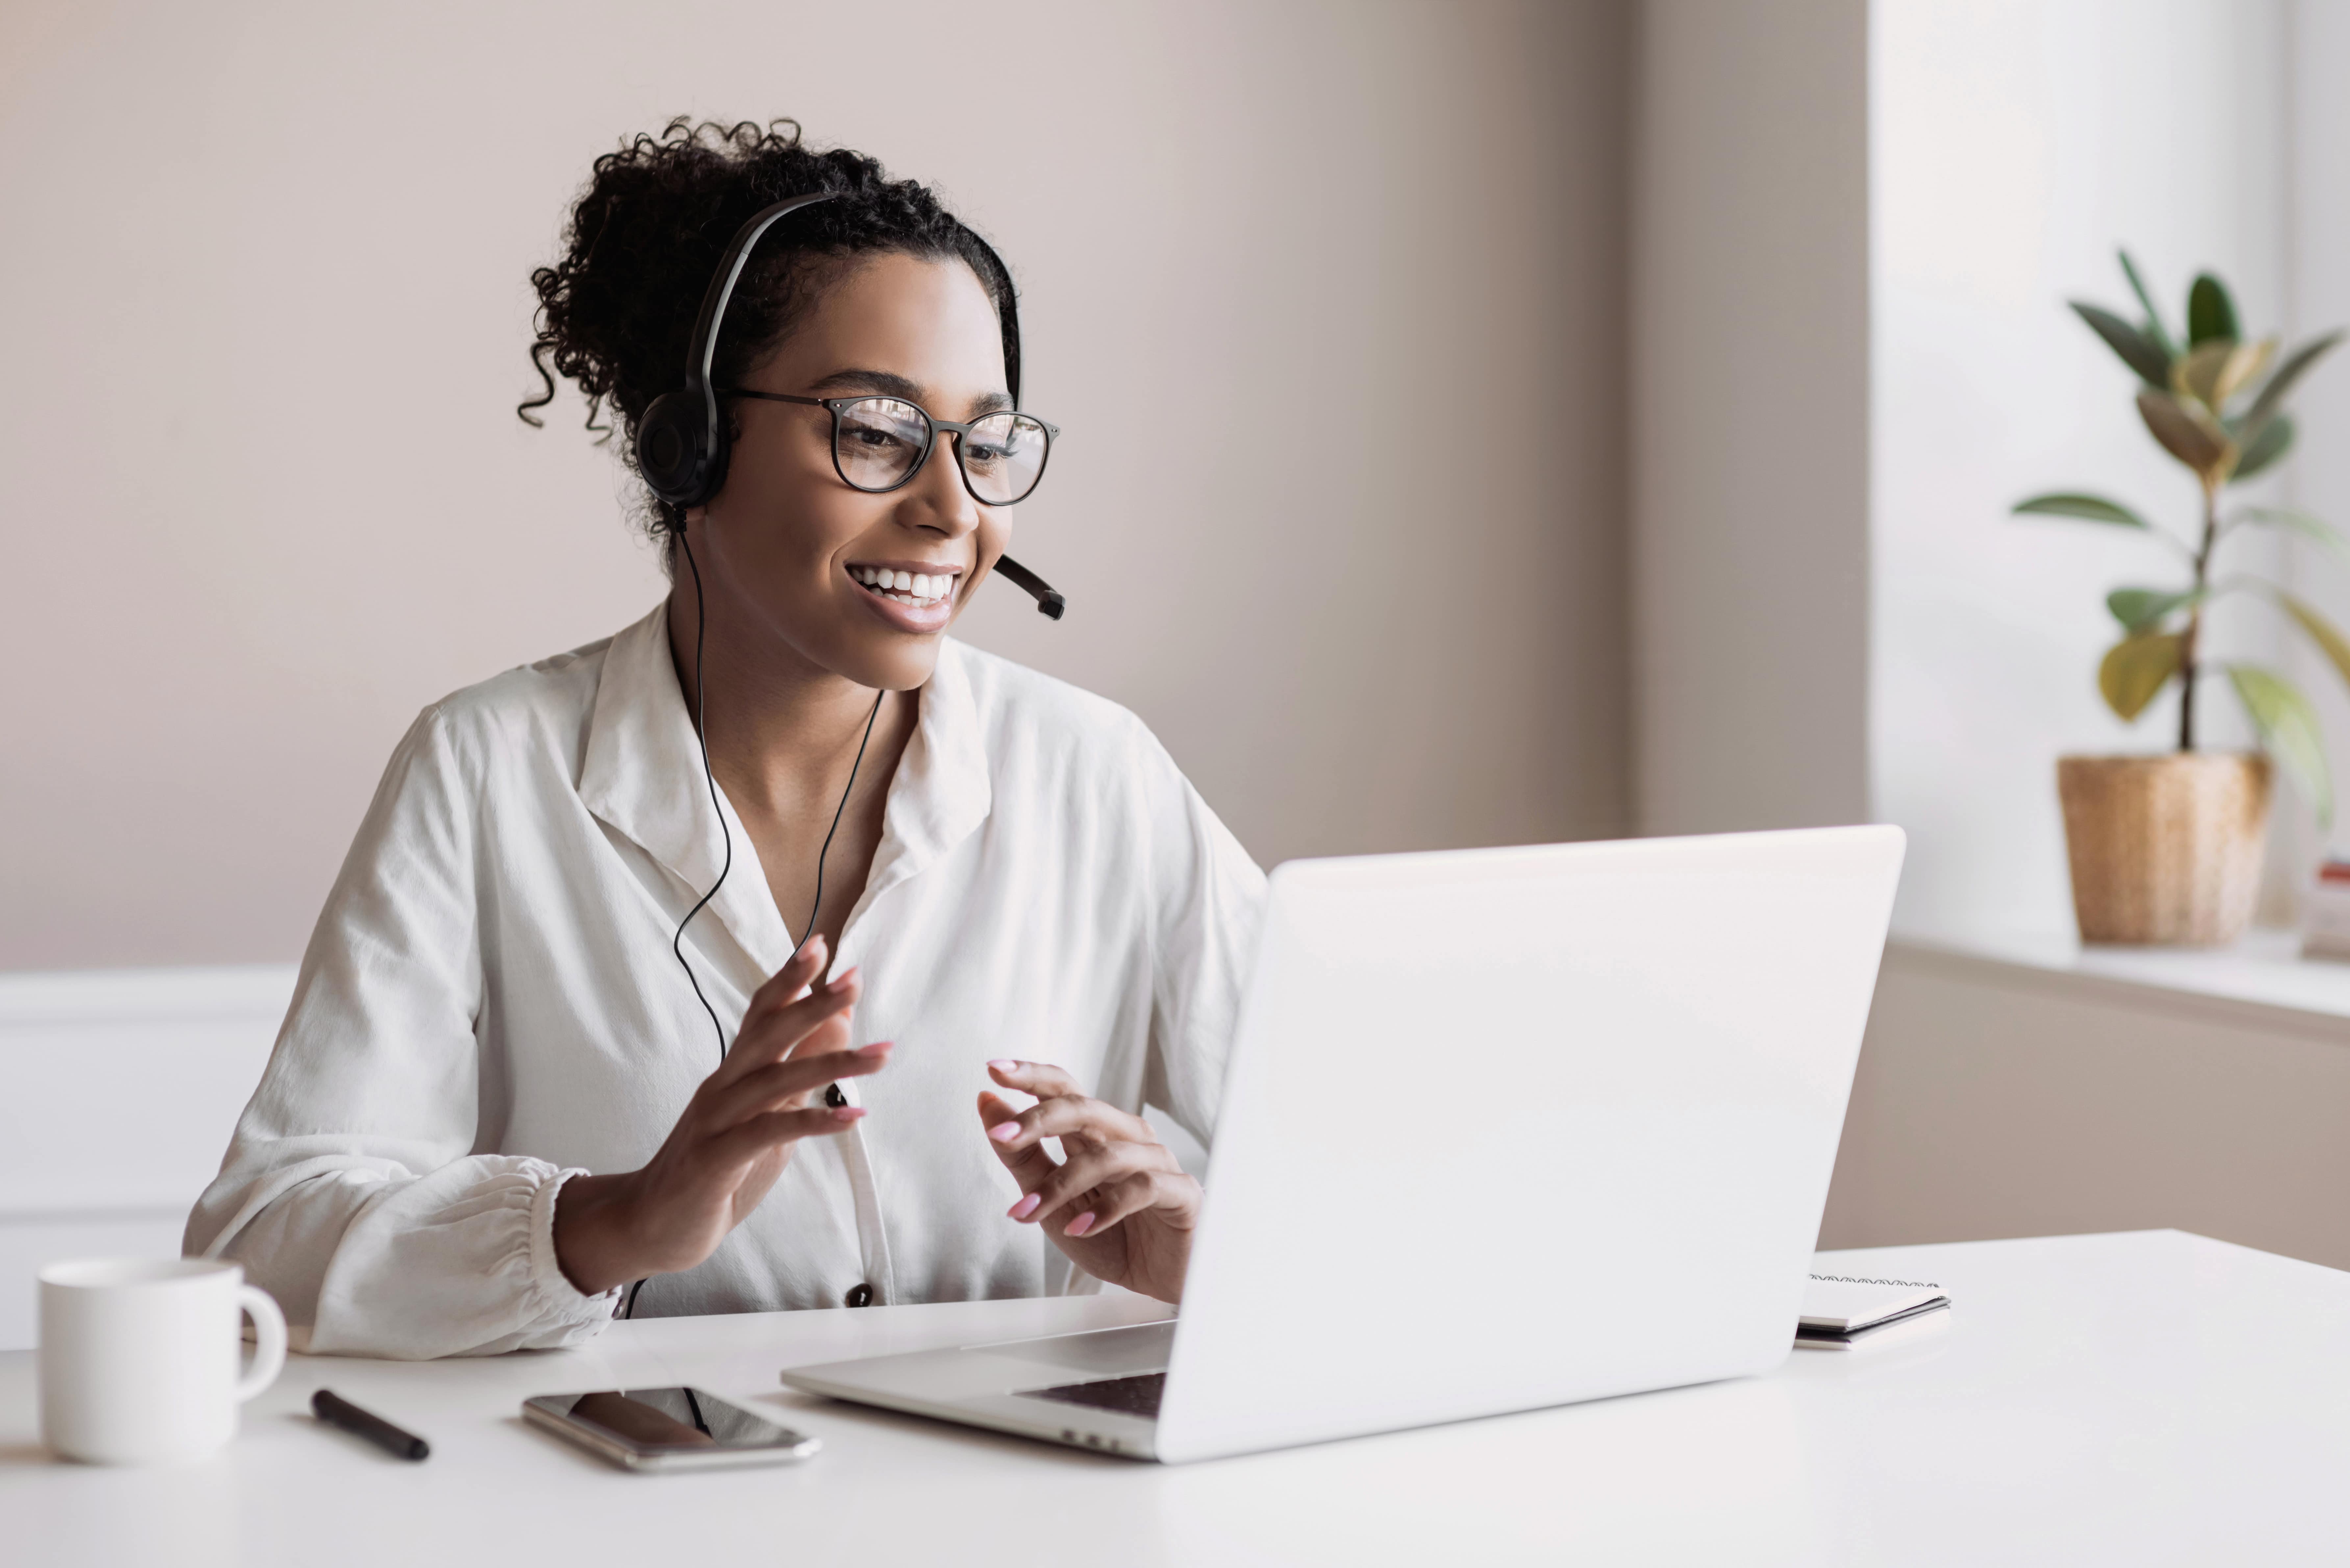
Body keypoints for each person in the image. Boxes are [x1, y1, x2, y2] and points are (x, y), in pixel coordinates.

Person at [184, 119, 1265, 1359]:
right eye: (875, 431)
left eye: (985, 443)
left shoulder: (1098, 775)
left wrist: (1206, 1247)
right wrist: (613, 1221)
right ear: (689, 443)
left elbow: (1380, 1173)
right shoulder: (488, 771)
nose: (952, 511)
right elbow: (262, 1247)